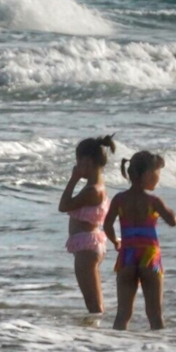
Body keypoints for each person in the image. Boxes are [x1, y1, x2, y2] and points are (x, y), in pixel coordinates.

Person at [105, 150, 176, 330]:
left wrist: (115, 241)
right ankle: (160, 350)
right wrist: (175, 215)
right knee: (155, 314)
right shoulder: (153, 200)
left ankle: (112, 351)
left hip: (127, 255)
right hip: (149, 256)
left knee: (123, 314)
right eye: (157, 173)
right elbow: (172, 221)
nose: (159, 177)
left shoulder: (120, 199)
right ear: (146, 175)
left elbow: (107, 225)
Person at [56, 135, 113, 316]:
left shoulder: (92, 190)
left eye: (78, 161)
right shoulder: (96, 186)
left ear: (86, 161)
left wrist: (73, 179)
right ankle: (97, 335)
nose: (77, 165)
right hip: (89, 244)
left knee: (94, 304)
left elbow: (63, 206)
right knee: (92, 301)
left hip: (87, 247)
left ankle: (98, 337)